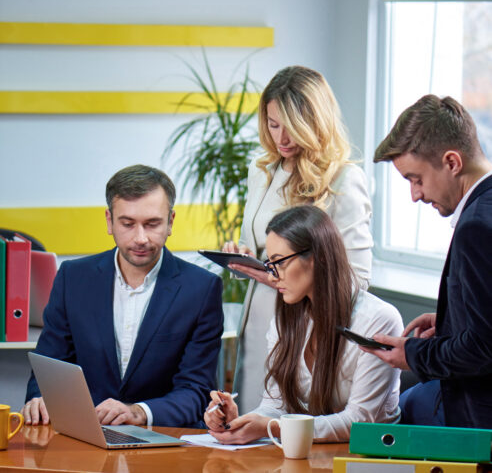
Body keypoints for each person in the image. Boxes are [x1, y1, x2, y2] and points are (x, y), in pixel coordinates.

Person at [22, 164, 223, 428]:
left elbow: (197, 391)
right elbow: (49, 365)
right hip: (84, 435)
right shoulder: (73, 278)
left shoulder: (201, 288)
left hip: (163, 439)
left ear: (171, 222)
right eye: (127, 224)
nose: (140, 238)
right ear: (109, 221)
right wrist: (40, 398)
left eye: (152, 224)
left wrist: (139, 412)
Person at [224, 66, 373, 412]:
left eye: (291, 126)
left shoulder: (344, 179)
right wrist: (241, 258)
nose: (281, 138)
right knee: (252, 425)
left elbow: (359, 281)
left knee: (295, 434)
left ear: (315, 122)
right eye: (273, 125)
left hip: (308, 327)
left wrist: (284, 274)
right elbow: (262, 247)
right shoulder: (262, 171)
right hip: (259, 315)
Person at [205, 205, 402, 443]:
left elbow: (359, 422)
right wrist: (238, 422)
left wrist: (274, 427)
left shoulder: (378, 320)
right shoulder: (286, 317)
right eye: (270, 264)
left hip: (368, 457)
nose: (272, 275)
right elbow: (274, 406)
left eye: (280, 262)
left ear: (318, 257)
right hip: (308, 455)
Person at [365, 94, 492, 428]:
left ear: (452, 162)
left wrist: (412, 354)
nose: (415, 195)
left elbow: (483, 347)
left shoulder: (476, 225)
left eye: (415, 178)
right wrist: (452, 320)